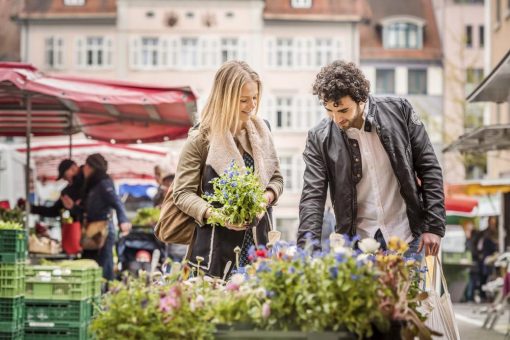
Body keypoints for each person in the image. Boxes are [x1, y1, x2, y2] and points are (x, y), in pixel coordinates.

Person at [297, 61, 445, 257]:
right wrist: (307, 252)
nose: (336, 119)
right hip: (358, 244)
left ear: (361, 99)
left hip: (407, 238)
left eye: (343, 110)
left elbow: (429, 167)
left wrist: (433, 226)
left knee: (409, 289)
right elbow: (312, 197)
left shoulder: (400, 111)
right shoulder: (319, 138)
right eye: (329, 110)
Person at [173, 60, 283, 278]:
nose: (252, 106)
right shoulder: (201, 138)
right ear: (225, 99)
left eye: (255, 98)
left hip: (260, 250)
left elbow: (277, 179)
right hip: (215, 252)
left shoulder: (262, 131)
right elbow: (182, 193)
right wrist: (219, 216)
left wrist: (265, 199)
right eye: (243, 100)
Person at [71, 153, 131, 280]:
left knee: (105, 265)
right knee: (93, 264)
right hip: (93, 229)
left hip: (102, 230)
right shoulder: (93, 185)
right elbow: (88, 209)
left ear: (90, 167)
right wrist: (73, 207)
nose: (84, 170)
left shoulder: (103, 183)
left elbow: (116, 201)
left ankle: (108, 293)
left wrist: (123, 220)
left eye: (86, 166)